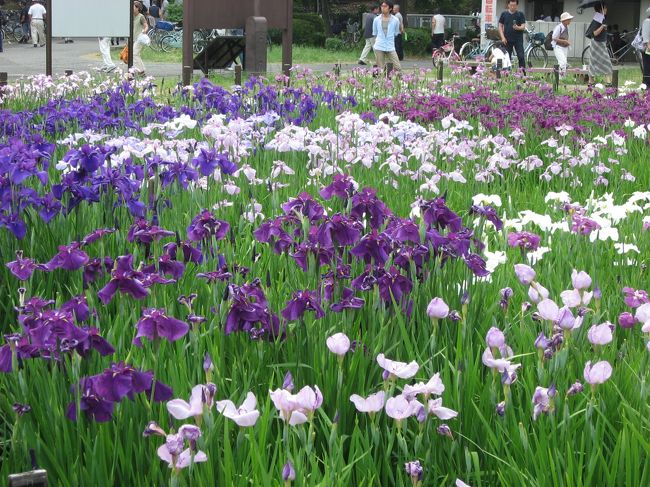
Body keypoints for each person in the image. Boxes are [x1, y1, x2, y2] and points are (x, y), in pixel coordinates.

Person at [584, 2, 612, 85]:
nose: (607, 9)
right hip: (597, 43)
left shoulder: (601, 18)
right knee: (604, 61)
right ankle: (597, 81)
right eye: (605, 8)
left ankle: (604, 80)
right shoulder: (597, 19)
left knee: (597, 61)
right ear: (601, 9)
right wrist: (602, 26)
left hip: (601, 43)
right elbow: (594, 33)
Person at [498, 0, 526, 74]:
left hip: (518, 39)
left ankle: (523, 74)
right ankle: (507, 74)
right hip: (507, 39)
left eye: (514, 5)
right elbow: (500, 26)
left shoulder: (520, 14)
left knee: (521, 56)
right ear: (508, 5)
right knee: (507, 57)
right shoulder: (504, 14)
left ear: (517, 5)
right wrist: (502, 37)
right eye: (511, 5)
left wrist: (518, 27)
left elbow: (523, 26)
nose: (512, 7)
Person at [373, 1, 401, 71]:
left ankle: (401, 81)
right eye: (382, 6)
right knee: (380, 68)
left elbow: (396, 33)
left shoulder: (395, 20)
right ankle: (381, 81)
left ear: (390, 9)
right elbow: (375, 33)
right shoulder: (376, 19)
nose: (383, 8)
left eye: (385, 6)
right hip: (379, 45)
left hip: (390, 46)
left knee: (398, 67)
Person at [132, 1, 149, 76]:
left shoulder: (141, 16)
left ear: (138, 8)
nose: (131, 8)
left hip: (139, 38)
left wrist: (144, 31)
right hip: (133, 38)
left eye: (133, 7)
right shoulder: (131, 16)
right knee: (136, 54)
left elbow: (146, 25)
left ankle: (140, 71)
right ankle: (142, 71)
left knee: (135, 54)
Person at [641, 7, 650, 88]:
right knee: (648, 68)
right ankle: (646, 87)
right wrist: (648, 47)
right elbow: (646, 38)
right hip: (648, 49)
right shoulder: (647, 21)